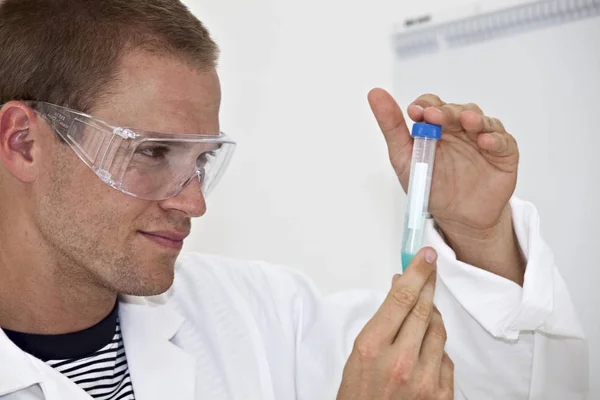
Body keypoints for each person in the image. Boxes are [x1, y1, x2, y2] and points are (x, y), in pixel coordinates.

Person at [0, 0, 588, 399]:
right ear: (24, 143)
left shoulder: (255, 316)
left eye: (201, 160)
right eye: (153, 153)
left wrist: (478, 233)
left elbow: (488, 384)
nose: (194, 203)